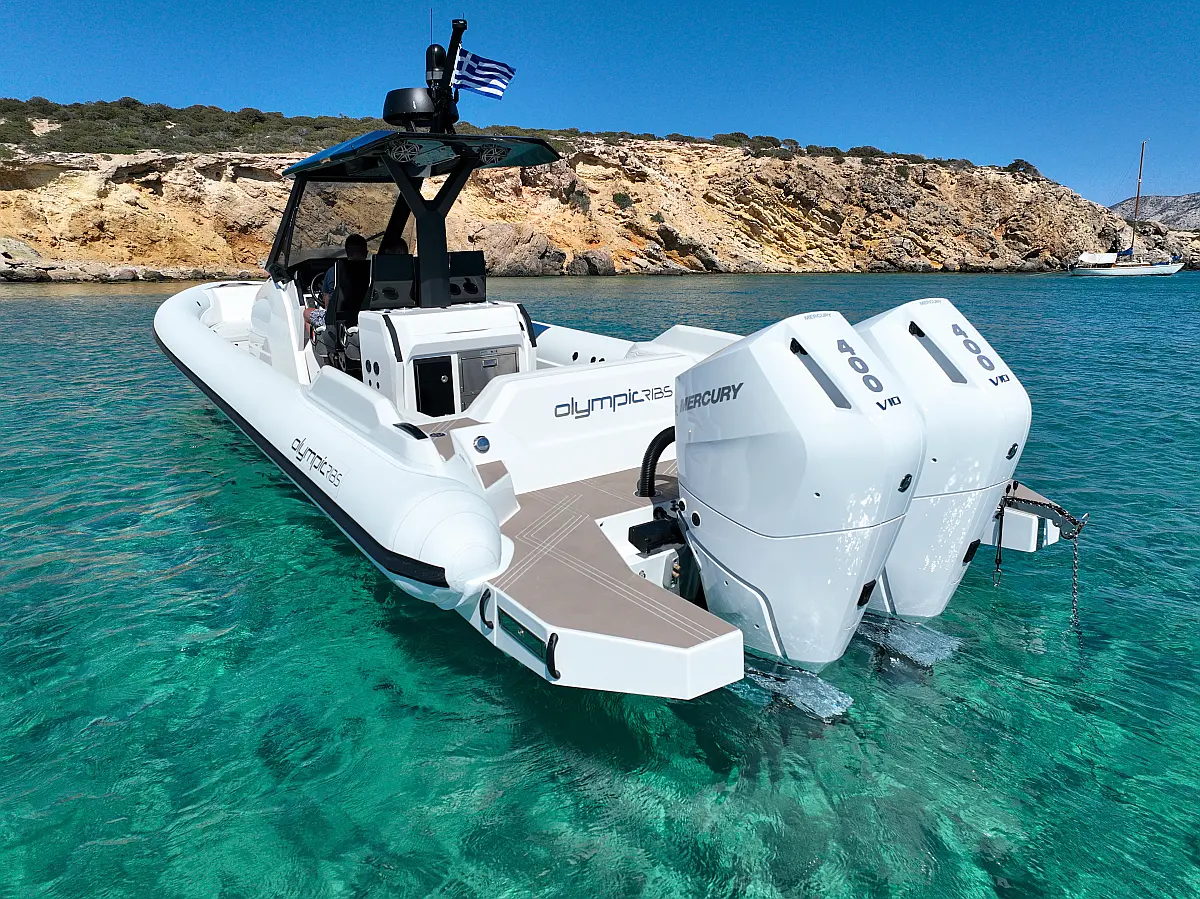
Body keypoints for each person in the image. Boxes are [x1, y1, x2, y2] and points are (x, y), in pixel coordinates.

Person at [304, 233, 369, 332]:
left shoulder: (334, 271)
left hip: (337, 320)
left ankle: (319, 338)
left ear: (347, 252)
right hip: (365, 317)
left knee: (306, 312)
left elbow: (327, 303)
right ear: (366, 252)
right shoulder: (373, 271)